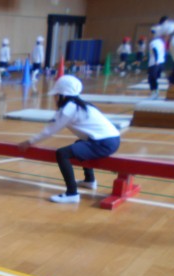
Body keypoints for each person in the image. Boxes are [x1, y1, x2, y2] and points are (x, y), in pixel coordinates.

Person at [17, 75, 121, 204]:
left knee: (62, 153)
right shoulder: (82, 105)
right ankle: (89, 181)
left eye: (56, 95)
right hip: (111, 140)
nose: (54, 98)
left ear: (62, 95)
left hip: (103, 143)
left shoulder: (68, 109)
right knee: (79, 144)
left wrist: (29, 142)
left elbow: (50, 130)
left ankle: (72, 193)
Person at [147, 25, 166, 99]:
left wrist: (156, 61)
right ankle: (155, 92)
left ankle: (154, 93)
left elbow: (155, 51)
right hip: (160, 62)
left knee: (151, 78)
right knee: (153, 78)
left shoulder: (153, 43)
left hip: (154, 63)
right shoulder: (161, 42)